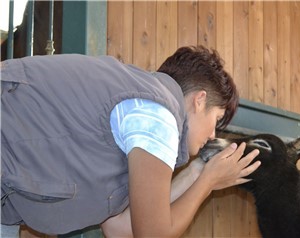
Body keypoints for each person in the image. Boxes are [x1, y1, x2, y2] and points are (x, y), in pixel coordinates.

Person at [1, 45, 261, 237]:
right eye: (216, 120)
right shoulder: (159, 115)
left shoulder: (140, 118)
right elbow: (153, 235)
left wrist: (195, 173)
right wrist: (208, 183)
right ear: (199, 100)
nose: (213, 136)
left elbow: (118, 228)